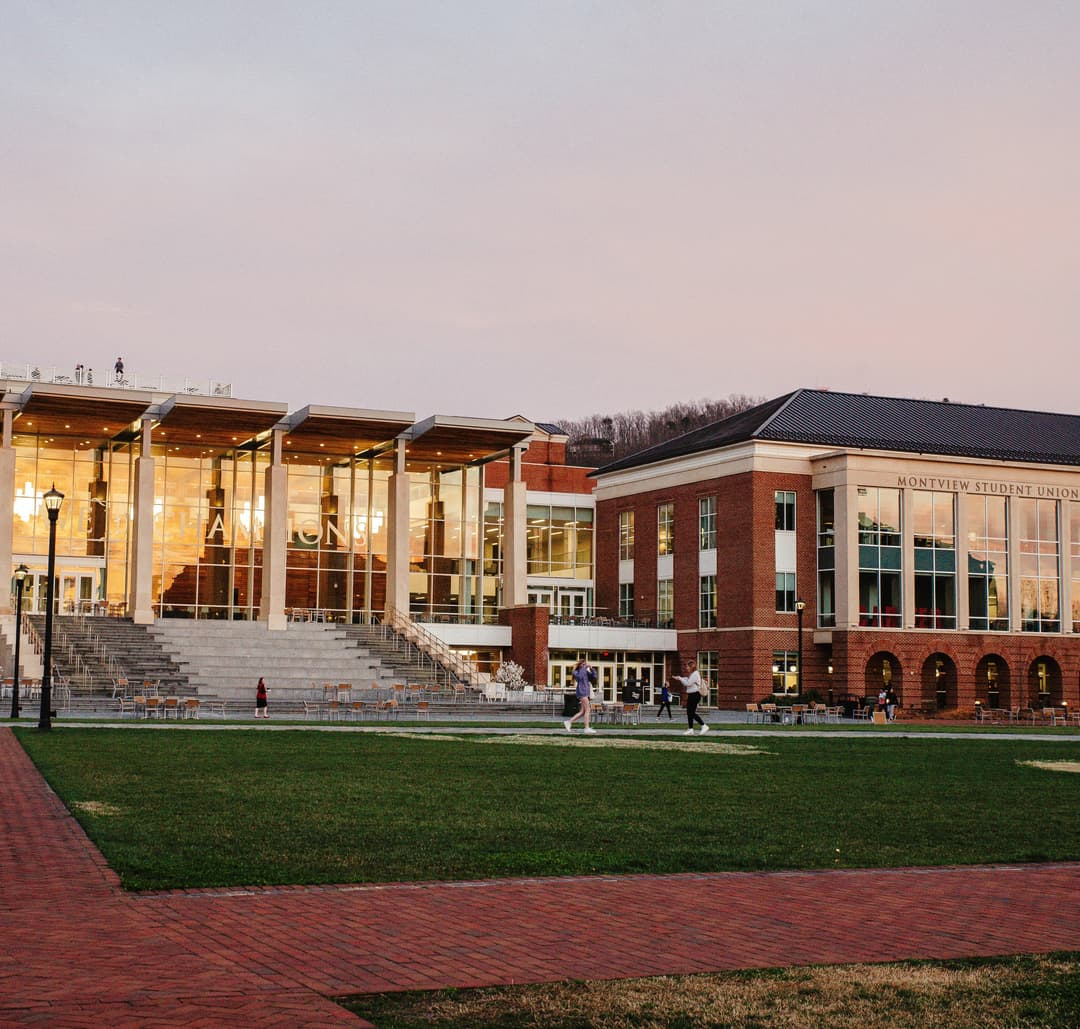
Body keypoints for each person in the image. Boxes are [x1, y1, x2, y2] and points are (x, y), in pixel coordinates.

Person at [672, 658, 709, 735]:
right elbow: (687, 679)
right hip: (692, 695)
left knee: (691, 712)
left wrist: (680, 679)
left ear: (691, 666)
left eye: (688, 667)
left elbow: (688, 683)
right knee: (689, 712)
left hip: (695, 695)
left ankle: (704, 725)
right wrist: (680, 678)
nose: (686, 668)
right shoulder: (692, 674)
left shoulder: (695, 674)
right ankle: (690, 729)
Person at [563, 657, 597, 734]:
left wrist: (592, 669)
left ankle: (569, 722)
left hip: (586, 692)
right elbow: (580, 677)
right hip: (582, 692)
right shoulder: (576, 672)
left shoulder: (585, 671)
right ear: (580, 664)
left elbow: (594, 677)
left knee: (582, 711)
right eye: (583, 664)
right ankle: (586, 728)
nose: (585, 665)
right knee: (588, 709)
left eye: (585, 664)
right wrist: (585, 668)